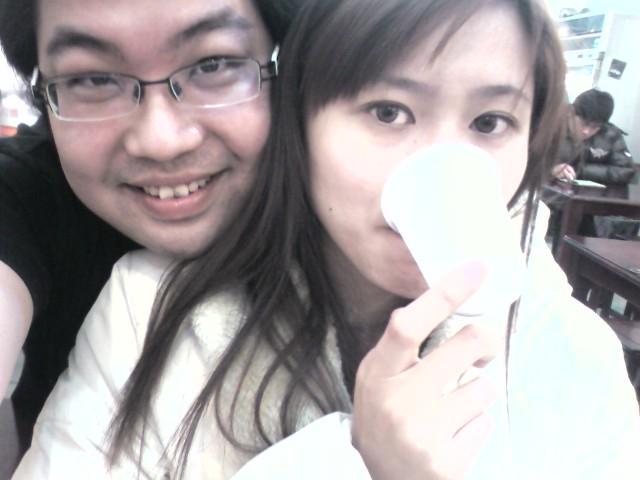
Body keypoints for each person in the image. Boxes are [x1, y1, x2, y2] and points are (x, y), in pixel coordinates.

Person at [15, 0, 640, 478]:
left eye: (490, 122)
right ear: (299, 121)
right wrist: (355, 463)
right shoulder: (148, 308)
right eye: (387, 112)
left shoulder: (573, 353)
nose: (439, 163)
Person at [0, 0, 302, 452]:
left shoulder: (348, 192)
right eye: (93, 79)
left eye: (212, 64)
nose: (161, 141)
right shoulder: (24, 193)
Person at [552, 88, 634, 185]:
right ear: (571, 113)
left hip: (592, 192)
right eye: (584, 123)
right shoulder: (551, 128)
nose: (586, 131)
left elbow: (625, 171)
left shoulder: (611, 135)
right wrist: (551, 171)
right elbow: (535, 162)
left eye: (594, 127)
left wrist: (578, 170)